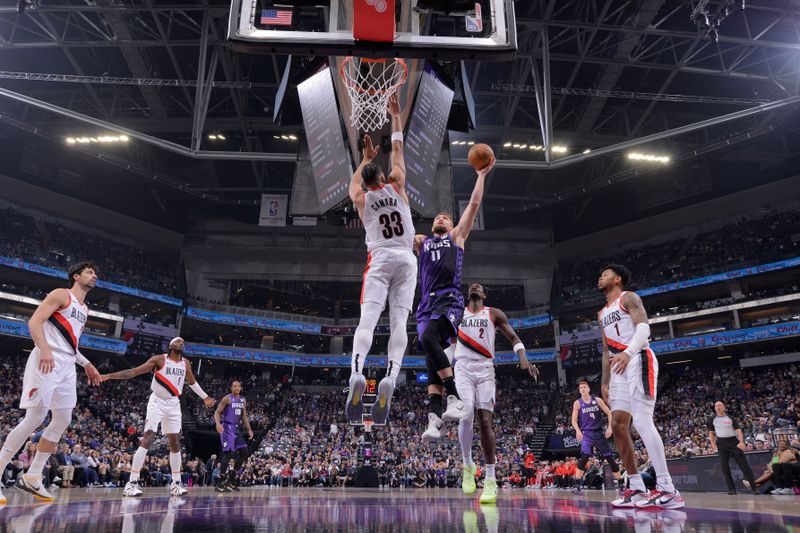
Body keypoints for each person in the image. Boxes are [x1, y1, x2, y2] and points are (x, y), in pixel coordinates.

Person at [0, 262, 101, 503]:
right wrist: (43, 349)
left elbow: (71, 345)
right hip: (46, 361)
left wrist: (86, 363)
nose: (94, 275)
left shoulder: (84, 309)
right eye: (89, 272)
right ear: (76, 276)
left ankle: (33, 477)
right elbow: (34, 322)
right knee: (35, 417)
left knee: (63, 418)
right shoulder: (60, 294)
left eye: (95, 273)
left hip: (66, 365)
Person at [345, 94, 416, 426]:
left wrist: (364, 158)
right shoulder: (398, 186)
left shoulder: (362, 199)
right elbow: (398, 150)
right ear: (384, 179)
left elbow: (352, 186)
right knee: (399, 323)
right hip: (406, 259)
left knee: (367, 321)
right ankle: (389, 378)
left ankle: (358, 373)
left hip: (379, 259)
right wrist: (396, 117)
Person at [416, 159, 496, 441]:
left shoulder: (456, 236)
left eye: (445, 217)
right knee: (430, 355)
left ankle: (455, 398)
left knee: (428, 342)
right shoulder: (421, 243)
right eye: (437, 217)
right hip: (425, 304)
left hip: (448, 299)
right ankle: (434, 419)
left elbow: (473, 206)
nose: (441, 218)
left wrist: (481, 175)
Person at [597, 264, 684, 509]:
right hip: (617, 368)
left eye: (604, 274)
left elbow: (644, 328)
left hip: (638, 358)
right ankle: (636, 488)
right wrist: (605, 381)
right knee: (617, 425)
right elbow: (605, 350)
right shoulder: (602, 312)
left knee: (643, 421)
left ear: (617, 279)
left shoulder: (629, 297)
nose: (599, 277)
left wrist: (628, 351)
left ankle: (668, 489)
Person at [453, 283, 539, 503]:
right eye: (471, 286)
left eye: (478, 286)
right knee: (465, 414)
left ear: (484, 294)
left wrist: (523, 359)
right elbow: (448, 340)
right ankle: (468, 464)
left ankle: (490, 478)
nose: (474, 287)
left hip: (485, 369)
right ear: (468, 295)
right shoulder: (457, 313)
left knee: (485, 422)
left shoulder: (493, 313)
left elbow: (513, 337)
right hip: (462, 367)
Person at [100, 337, 216, 497]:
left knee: (175, 442)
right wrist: (109, 376)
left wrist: (205, 397)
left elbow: (192, 383)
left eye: (183, 342)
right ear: (170, 345)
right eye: (178, 341)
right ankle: (131, 482)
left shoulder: (186, 363)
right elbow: (133, 372)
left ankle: (176, 483)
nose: (181, 342)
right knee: (148, 438)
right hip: (157, 401)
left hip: (174, 403)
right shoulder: (159, 359)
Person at [571, 379, 620, 493]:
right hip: (587, 433)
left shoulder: (597, 400)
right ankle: (576, 485)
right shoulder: (578, 403)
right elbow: (573, 420)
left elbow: (609, 413)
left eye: (584, 387)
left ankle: (621, 482)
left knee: (609, 458)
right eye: (580, 388)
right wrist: (578, 430)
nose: (582, 389)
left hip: (599, 432)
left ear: (588, 389)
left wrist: (610, 428)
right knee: (584, 457)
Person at [708, 400, 758, 494]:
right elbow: (711, 433)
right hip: (721, 443)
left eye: (720, 405)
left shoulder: (730, 418)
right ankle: (731, 489)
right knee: (724, 467)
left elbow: (738, 430)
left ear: (724, 407)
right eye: (716, 405)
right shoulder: (712, 419)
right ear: (715, 408)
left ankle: (754, 488)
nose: (718, 407)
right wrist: (713, 444)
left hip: (733, 442)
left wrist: (741, 442)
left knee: (744, 465)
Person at [214, 380, 254, 492]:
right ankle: (220, 483)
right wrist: (217, 424)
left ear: (240, 388)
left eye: (238, 386)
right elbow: (217, 412)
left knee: (244, 452)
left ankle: (231, 480)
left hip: (237, 428)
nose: (237, 387)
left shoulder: (243, 400)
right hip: (227, 427)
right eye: (235, 386)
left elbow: (244, 416)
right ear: (231, 388)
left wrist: (249, 429)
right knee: (229, 453)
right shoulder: (227, 398)